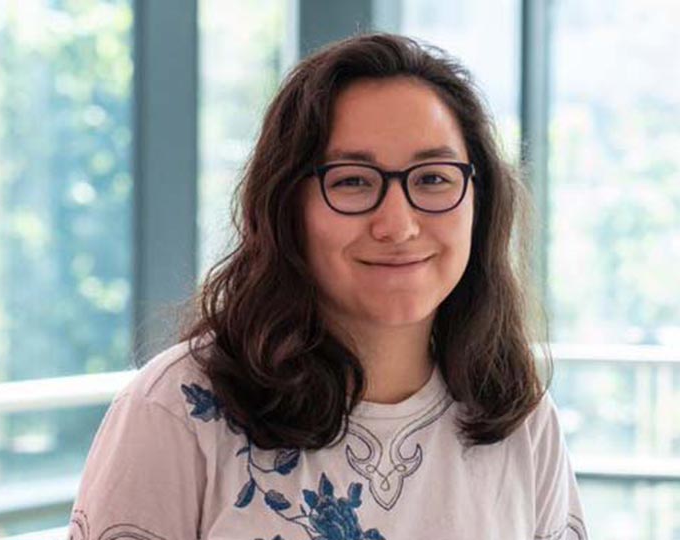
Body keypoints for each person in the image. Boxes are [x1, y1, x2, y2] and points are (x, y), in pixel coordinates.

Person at [67, 33, 587, 540]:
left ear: (481, 201)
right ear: (286, 207)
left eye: (432, 178)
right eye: (353, 181)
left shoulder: (520, 418)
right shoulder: (179, 410)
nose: (398, 224)